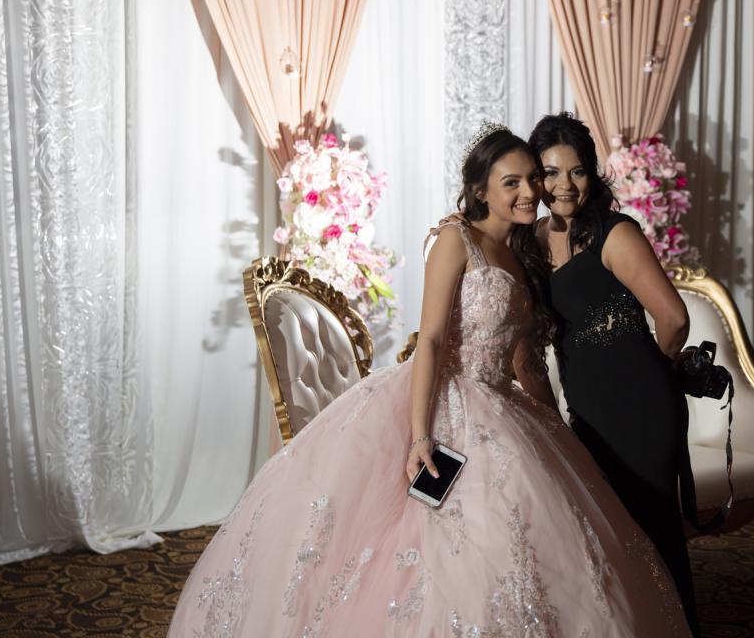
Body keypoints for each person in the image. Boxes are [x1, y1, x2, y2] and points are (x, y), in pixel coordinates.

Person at [167, 126, 691, 638]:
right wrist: (420, 434)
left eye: (533, 179)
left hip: (505, 405)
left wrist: (556, 430)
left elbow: (526, 360)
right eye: (512, 182)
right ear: (480, 190)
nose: (531, 191)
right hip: (445, 398)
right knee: (422, 541)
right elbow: (433, 340)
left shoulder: (525, 253)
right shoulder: (454, 239)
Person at [528, 113, 701, 636]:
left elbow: (673, 319)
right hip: (587, 414)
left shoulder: (614, 232)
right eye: (551, 173)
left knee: (654, 534)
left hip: (640, 412)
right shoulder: (533, 239)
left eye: (577, 171)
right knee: (610, 539)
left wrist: (654, 372)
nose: (564, 185)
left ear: (593, 174)